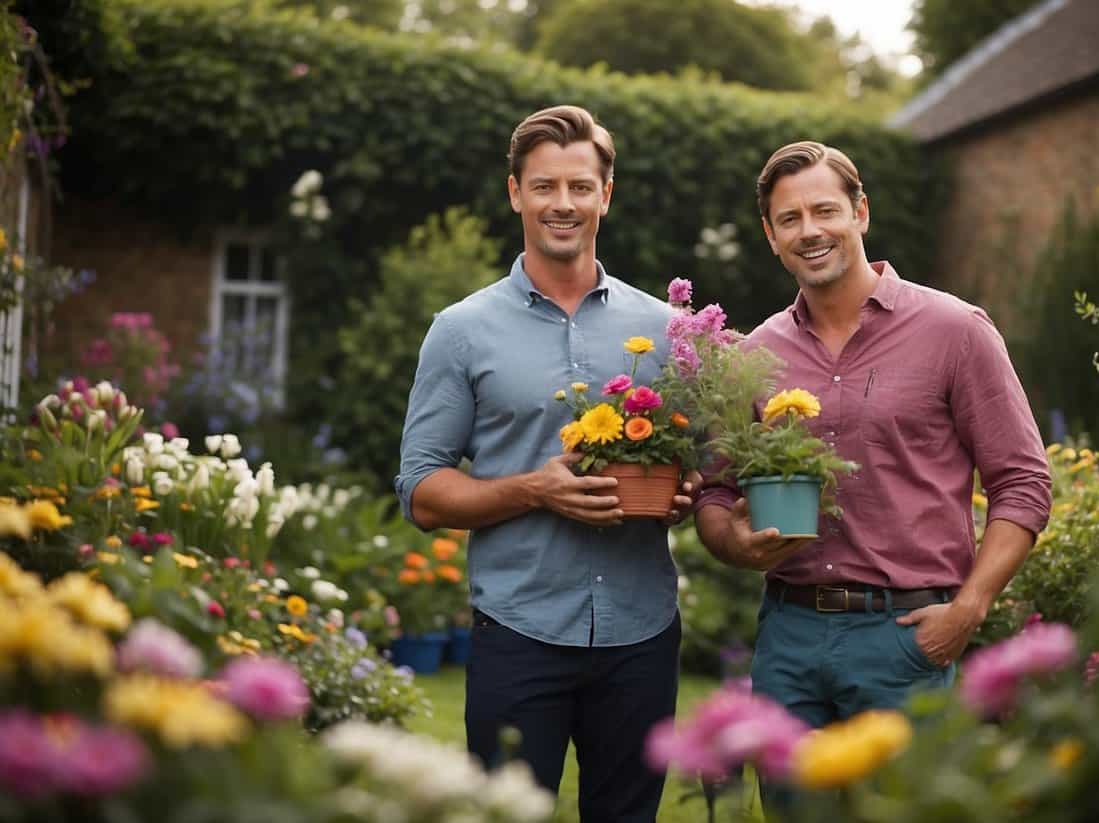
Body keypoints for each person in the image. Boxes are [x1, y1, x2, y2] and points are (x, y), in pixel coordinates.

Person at [396, 105, 695, 822]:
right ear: (515, 193)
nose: (563, 204)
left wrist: (685, 489)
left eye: (580, 187)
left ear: (606, 195)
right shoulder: (461, 331)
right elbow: (423, 491)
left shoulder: (666, 329)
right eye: (545, 186)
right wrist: (535, 488)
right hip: (518, 631)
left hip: (641, 632)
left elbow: (701, 460)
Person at [694, 141, 1052, 729]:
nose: (810, 231)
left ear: (860, 212)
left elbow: (1023, 482)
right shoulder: (753, 355)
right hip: (789, 637)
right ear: (771, 234)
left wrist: (969, 608)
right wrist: (733, 543)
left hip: (906, 640)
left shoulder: (955, 331)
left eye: (825, 211)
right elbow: (713, 489)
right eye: (791, 219)